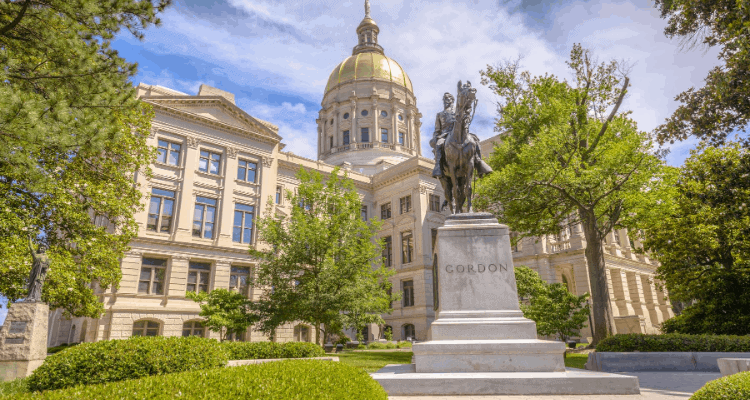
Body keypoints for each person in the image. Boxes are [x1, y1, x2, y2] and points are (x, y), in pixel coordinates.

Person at [430, 93, 456, 178]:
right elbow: (437, 130)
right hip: (445, 135)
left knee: (474, 140)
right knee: (439, 144)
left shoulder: (458, 110)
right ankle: (438, 166)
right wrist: (435, 137)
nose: (446, 100)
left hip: (458, 132)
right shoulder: (440, 114)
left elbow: (465, 120)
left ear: (452, 100)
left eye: (448, 98)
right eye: (444, 98)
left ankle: (479, 162)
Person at [26, 238, 50, 302]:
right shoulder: (36, 255)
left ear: (44, 249)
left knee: (38, 285)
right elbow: (31, 248)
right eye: (39, 248)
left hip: (40, 274)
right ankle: (30, 297)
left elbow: (47, 266)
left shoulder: (46, 257)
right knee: (32, 284)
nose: (40, 249)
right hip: (34, 272)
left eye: (42, 248)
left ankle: (36, 297)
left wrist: (43, 266)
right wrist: (30, 239)